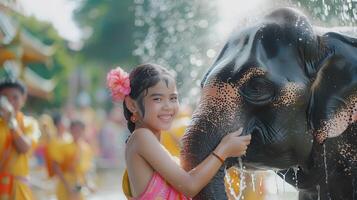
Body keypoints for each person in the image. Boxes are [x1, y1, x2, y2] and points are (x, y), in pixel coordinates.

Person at [106, 63, 251, 199]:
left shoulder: (150, 142)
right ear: (132, 105)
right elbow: (190, 186)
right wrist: (224, 149)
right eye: (157, 99)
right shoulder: (141, 137)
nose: (168, 106)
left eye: (173, 98)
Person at [0, 78, 38, 199]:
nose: (10, 102)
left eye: (15, 97)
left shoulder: (29, 123)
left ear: (24, 99)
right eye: (5, 98)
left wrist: (11, 122)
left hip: (19, 190)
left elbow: (25, 147)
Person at [49, 119, 94, 200]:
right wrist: (67, 185)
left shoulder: (86, 148)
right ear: (70, 130)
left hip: (78, 186)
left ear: (83, 131)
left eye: (79, 130)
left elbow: (85, 170)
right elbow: (55, 166)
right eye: (74, 130)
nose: (77, 132)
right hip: (64, 185)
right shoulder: (63, 146)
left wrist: (88, 184)